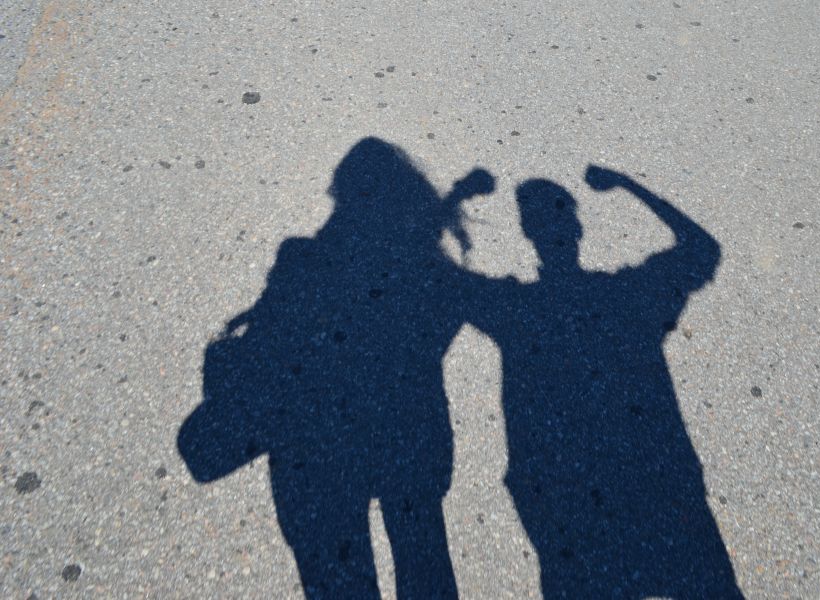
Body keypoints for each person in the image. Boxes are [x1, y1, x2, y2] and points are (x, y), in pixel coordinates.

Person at [179, 137, 493, 598]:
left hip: (321, 452)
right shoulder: (436, 274)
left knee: (341, 568)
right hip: (409, 441)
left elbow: (271, 338)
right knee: (421, 550)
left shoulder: (299, 259)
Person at [465, 167, 742, 598]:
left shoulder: (515, 308)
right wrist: (627, 185)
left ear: (527, 233)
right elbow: (702, 249)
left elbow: (439, 274)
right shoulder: (631, 296)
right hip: (667, 495)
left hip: (564, 511)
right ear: (578, 228)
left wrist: (455, 199)